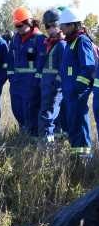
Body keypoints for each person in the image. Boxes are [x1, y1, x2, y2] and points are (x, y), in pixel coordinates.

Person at [60, 7, 95, 158]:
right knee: (70, 123)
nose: (61, 28)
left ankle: (85, 158)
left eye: (64, 25)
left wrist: (77, 88)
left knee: (79, 123)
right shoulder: (70, 42)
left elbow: (88, 67)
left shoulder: (82, 41)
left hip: (77, 93)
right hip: (69, 92)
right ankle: (75, 157)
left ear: (74, 25)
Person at [8, 7, 45, 136]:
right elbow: (10, 58)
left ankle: (32, 139)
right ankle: (23, 133)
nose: (17, 28)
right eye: (16, 25)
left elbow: (41, 61)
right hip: (17, 82)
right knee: (17, 109)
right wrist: (11, 75)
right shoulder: (15, 39)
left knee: (30, 111)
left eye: (19, 25)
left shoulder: (39, 39)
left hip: (31, 82)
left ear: (29, 22)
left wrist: (36, 80)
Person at [37, 9, 66, 143]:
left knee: (47, 118)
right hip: (47, 87)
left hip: (54, 89)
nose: (48, 29)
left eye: (50, 26)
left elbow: (63, 70)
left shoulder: (61, 45)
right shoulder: (50, 43)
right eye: (46, 26)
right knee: (52, 118)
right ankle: (55, 145)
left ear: (58, 25)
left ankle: (47, 149)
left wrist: (56, 86)